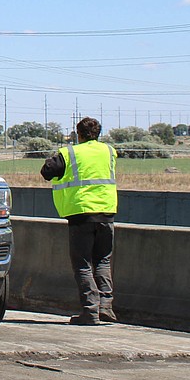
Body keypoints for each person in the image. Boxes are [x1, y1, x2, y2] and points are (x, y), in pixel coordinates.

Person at [39, 116, 118, 325]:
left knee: (82, 264)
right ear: (98, 133)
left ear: (78, 134)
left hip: (81, 213)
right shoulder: (109, 151)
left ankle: (90, 311)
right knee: (103, 261)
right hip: (107, 212)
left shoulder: (70, 153)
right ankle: (106, 306)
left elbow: (47, 172)